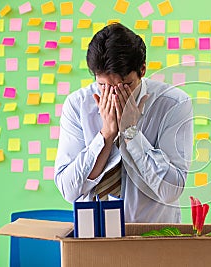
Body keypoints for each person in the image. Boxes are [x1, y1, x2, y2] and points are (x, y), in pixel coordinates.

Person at [54, 23, 193, 223]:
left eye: (125, 86)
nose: (114, 95)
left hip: (153, 237)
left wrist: (131, 133)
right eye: (103, 85)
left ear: (142, 70)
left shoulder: (173, 104)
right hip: (93, 237)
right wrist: (106, 135)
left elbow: (170, 190)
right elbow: (69, 190)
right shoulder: (78, 105)